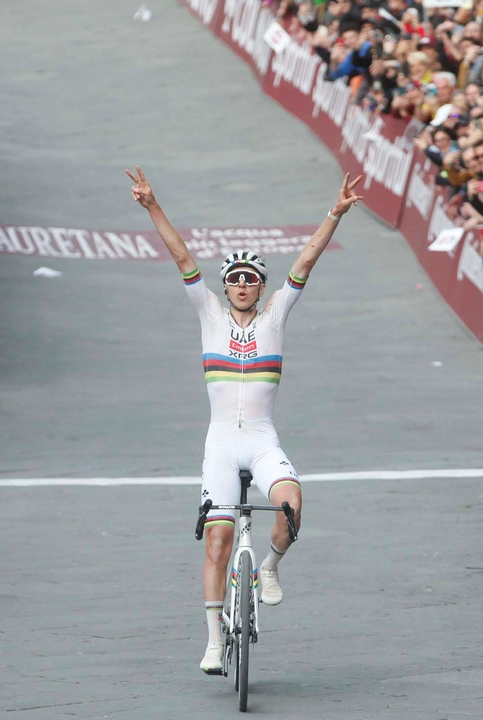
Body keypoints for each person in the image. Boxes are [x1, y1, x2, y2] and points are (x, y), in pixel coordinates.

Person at [126, 166, 362, 675]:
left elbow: (306, 259)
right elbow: (181, 256)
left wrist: (334, 214)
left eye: (249, 280)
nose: (240, 286)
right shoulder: (208, 313)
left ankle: (269, 569)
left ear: (261, 288)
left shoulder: (276, 315)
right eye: (233, 280)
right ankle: (214, 640)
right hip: (220, 444)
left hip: (260, 440)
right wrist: (151, 205)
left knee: (293, 503)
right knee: (217, 540)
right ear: (224, 287)